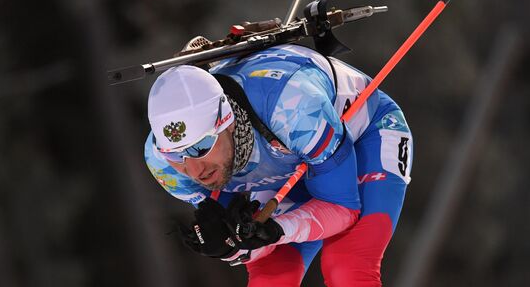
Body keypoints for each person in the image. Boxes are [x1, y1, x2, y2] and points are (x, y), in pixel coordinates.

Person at [144, 43, 413, 286]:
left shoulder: (292, 108)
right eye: (177, 155)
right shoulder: (163, 166)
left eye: (200, 147)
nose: (194, 170)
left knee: (346, 268)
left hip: (366, 135)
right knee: (271, 279)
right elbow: (244, 241)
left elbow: (342, 208)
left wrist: (278, 230)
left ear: (227, 121)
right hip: (289, 165)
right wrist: (233, 245)